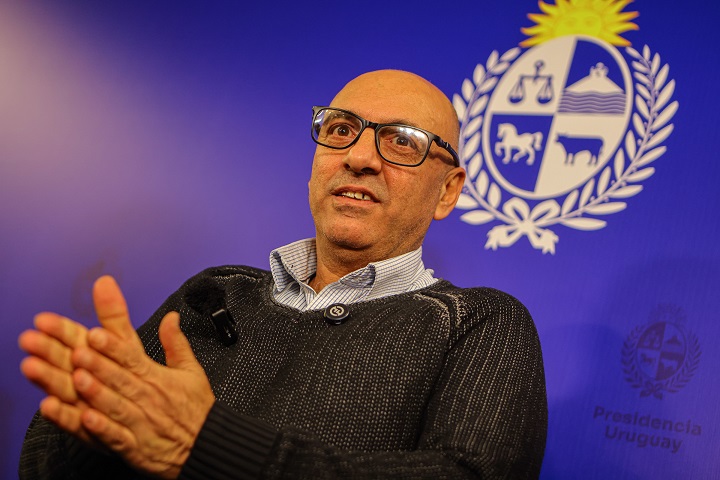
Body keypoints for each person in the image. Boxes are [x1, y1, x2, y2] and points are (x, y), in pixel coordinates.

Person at [18, 69, 547, 479]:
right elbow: (40, 462)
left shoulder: (477, 323)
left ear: (448, 191)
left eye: (402, 141)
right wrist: (95, 426)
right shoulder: (216, 291)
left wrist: (207, 446)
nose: (359, 157)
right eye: (341, 129)